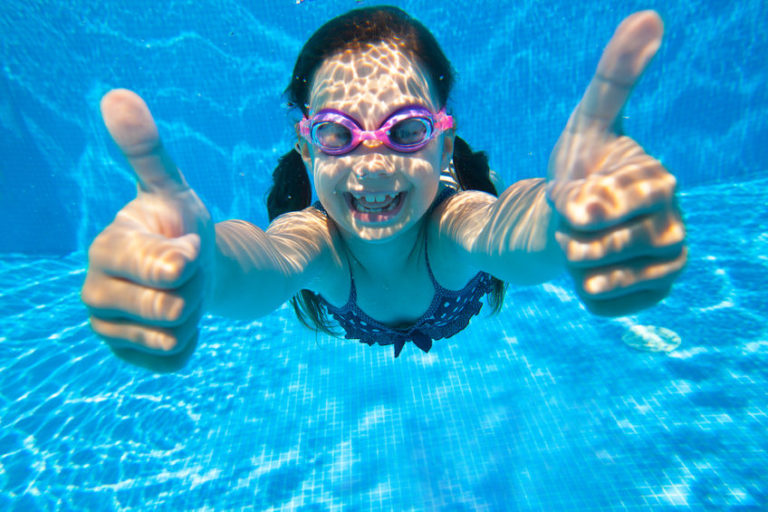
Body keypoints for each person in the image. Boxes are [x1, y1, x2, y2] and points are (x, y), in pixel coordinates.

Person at [81, 7, 687, 372]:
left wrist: (567, 216)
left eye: (406, 130)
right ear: (306, 150)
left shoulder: (454, 228)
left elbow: (507, 228)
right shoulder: (317, 243)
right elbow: (261, 260)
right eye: (337, 134)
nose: (371, 165)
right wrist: (200, 264)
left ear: (443, 146)